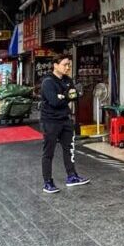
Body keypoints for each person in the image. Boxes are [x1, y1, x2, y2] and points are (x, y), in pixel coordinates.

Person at [40, 54, 89, 194]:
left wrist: (63, 96)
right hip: (50, 121)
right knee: (48, 152)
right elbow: (54, 102)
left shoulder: (67, 80)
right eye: (64, 64)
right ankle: (48, 182)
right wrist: (66, 96)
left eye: (69, 65)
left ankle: (72, 176)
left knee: (69, 149)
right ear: (55, 65)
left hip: (65, 119)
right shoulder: (48, 82)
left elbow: (76, 96)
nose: (67, 67)